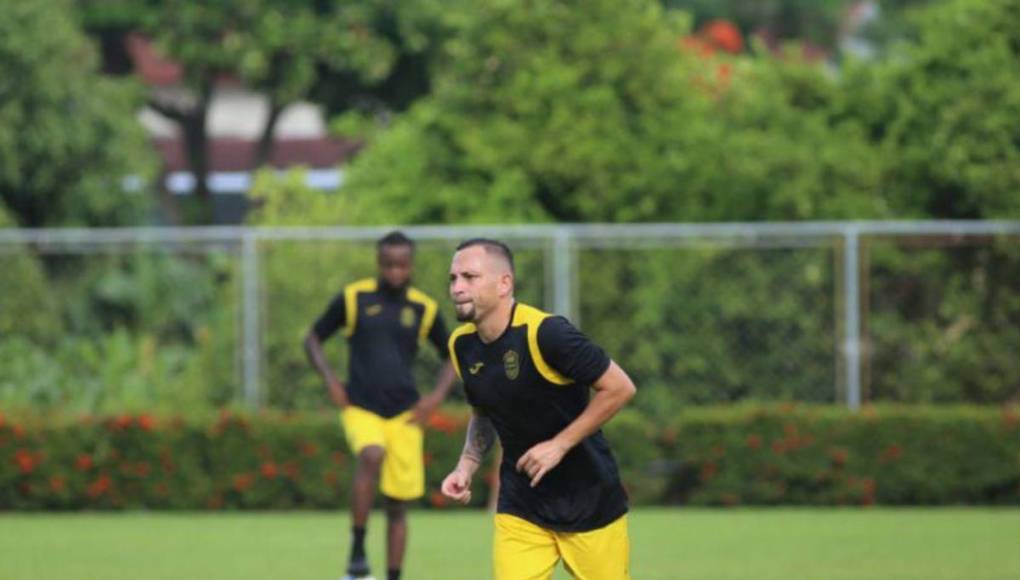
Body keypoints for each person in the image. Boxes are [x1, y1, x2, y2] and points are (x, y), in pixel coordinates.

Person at [441, 238, 637, 580]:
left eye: (470, 277)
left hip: (590, 501)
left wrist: (559, 445)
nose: (457, 287)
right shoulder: (462, 345)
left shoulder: (547, 333)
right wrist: (466, 466)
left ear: (505, 284)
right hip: (521, 506)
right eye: (453, 278)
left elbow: (620, 388)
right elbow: (483, 412)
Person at [305, 231, 457, 580]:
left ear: (410, 265)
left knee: (397, 505)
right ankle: (357, 555)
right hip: (360, 405)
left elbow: (453, 355)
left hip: (405, 414)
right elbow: (313, 338)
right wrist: (330, 380)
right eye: (388, 264)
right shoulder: (354, 298)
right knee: (371, 454)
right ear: (379, 263)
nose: (394, 272)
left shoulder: (424, 308)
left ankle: (392, 575)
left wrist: (434, 398)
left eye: (401, 265)